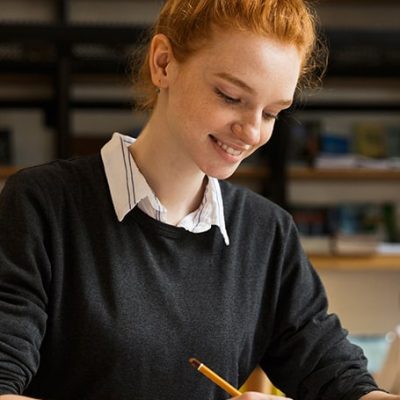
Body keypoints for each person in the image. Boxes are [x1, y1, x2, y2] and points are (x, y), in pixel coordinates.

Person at [0, 0, 398, 399]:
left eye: (273, 113)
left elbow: (336, 376)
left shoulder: (266, 233)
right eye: (230, 96)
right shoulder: (42, 206)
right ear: (163, 63)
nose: (252, 132)